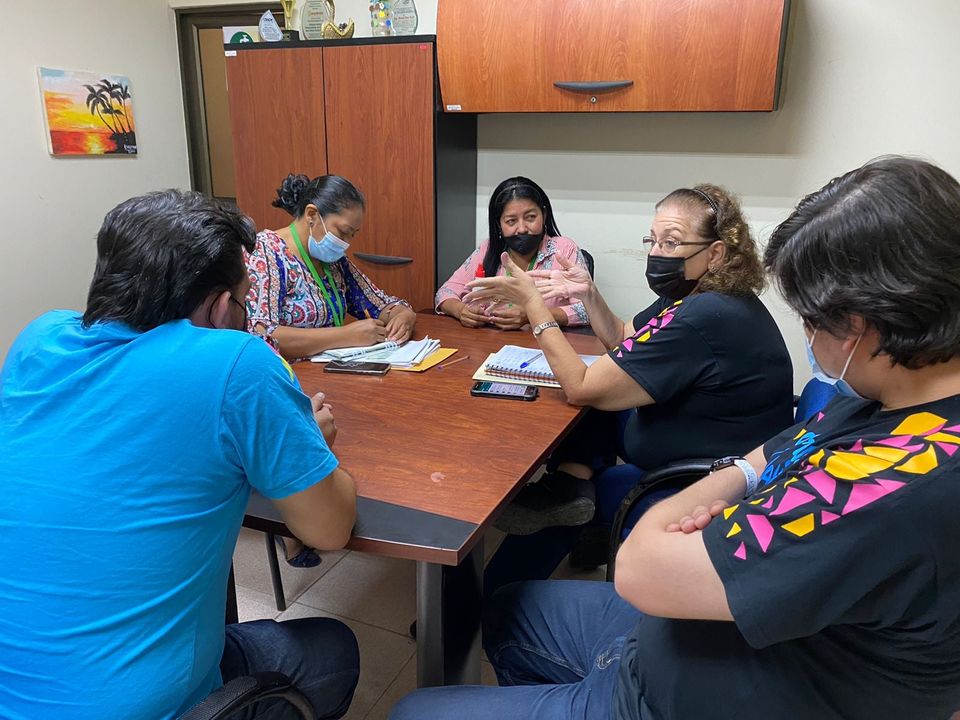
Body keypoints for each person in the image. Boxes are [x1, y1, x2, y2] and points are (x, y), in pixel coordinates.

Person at [389, 155, 960, 720]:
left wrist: (702, 498)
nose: (807, 332)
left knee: (414, 710)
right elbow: (757, 449)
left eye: (811, 317)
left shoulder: (902, 485)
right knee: (510, 607)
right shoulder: (877, 402)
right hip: (671, 637)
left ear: (860, 324)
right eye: (654, 240)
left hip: (671, 688)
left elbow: (644, 565)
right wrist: (738, 477)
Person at [0, 190, 360, 719]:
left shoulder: (39, 338)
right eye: (244, 303)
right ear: (221, 307)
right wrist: (307, 437)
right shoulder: (237, 363)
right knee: (334, 650)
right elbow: (329, 530)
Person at [474, 185, 794, 591]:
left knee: (585, 419)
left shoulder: (707, 315)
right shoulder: (696, 293)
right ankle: (569, 484)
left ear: (715, 253)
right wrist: (588, 294)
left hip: (700, 480)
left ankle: (487, 602)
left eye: (672, 243)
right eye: (653, 240)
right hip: (687, 439)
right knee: (589, 432)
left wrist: (535, 308)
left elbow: (580, 386)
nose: (656, 253)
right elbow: (625, 337)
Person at [246, 173, 417, 361]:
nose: (346, 243)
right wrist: (345, 336)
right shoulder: (266, 253)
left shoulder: (333, 260)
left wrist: (404, 316)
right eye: (343, 232)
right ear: (311, 215)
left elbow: (380, 304)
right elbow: (261, 335)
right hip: (287, 374)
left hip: (330, 372)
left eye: (353, 234)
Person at [435, 176, 590, 330]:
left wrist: (532, 315)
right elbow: (445, 292)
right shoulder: (488, 249)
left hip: (546, 342)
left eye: (531, 217)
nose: (522, 229)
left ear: (544, 215)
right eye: (511, 221)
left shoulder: (564, 249)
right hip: (490, 341)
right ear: (499, 224)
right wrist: (461, 310)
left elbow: (588, 310)